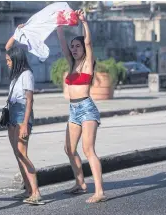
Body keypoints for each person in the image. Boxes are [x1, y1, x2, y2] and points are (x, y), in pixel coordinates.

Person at [57, 10, 107, 203]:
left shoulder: (87, 64)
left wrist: (84, 23)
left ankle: (99, 191)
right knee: (69, 149)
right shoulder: (72, 64)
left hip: (87, 108)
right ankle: (80, 183)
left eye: (77, 46)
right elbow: (62, 46)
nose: (75, 48)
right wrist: (59, 27)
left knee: (88, 150)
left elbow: (88, 43)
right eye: (73, 46)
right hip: (73, 110)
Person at [4, 24, 44, 205]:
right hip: (12, 113)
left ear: (16, 60)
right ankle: (28, 189)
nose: (7, 62)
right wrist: (17, 33)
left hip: (22, 114)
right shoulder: (15, 74)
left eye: (9, 60)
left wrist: (25, 124)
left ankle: (36, 192)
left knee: (22, 153)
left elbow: (29, 101)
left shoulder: (26, 74)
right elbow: (7, 48)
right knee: (16, 153)